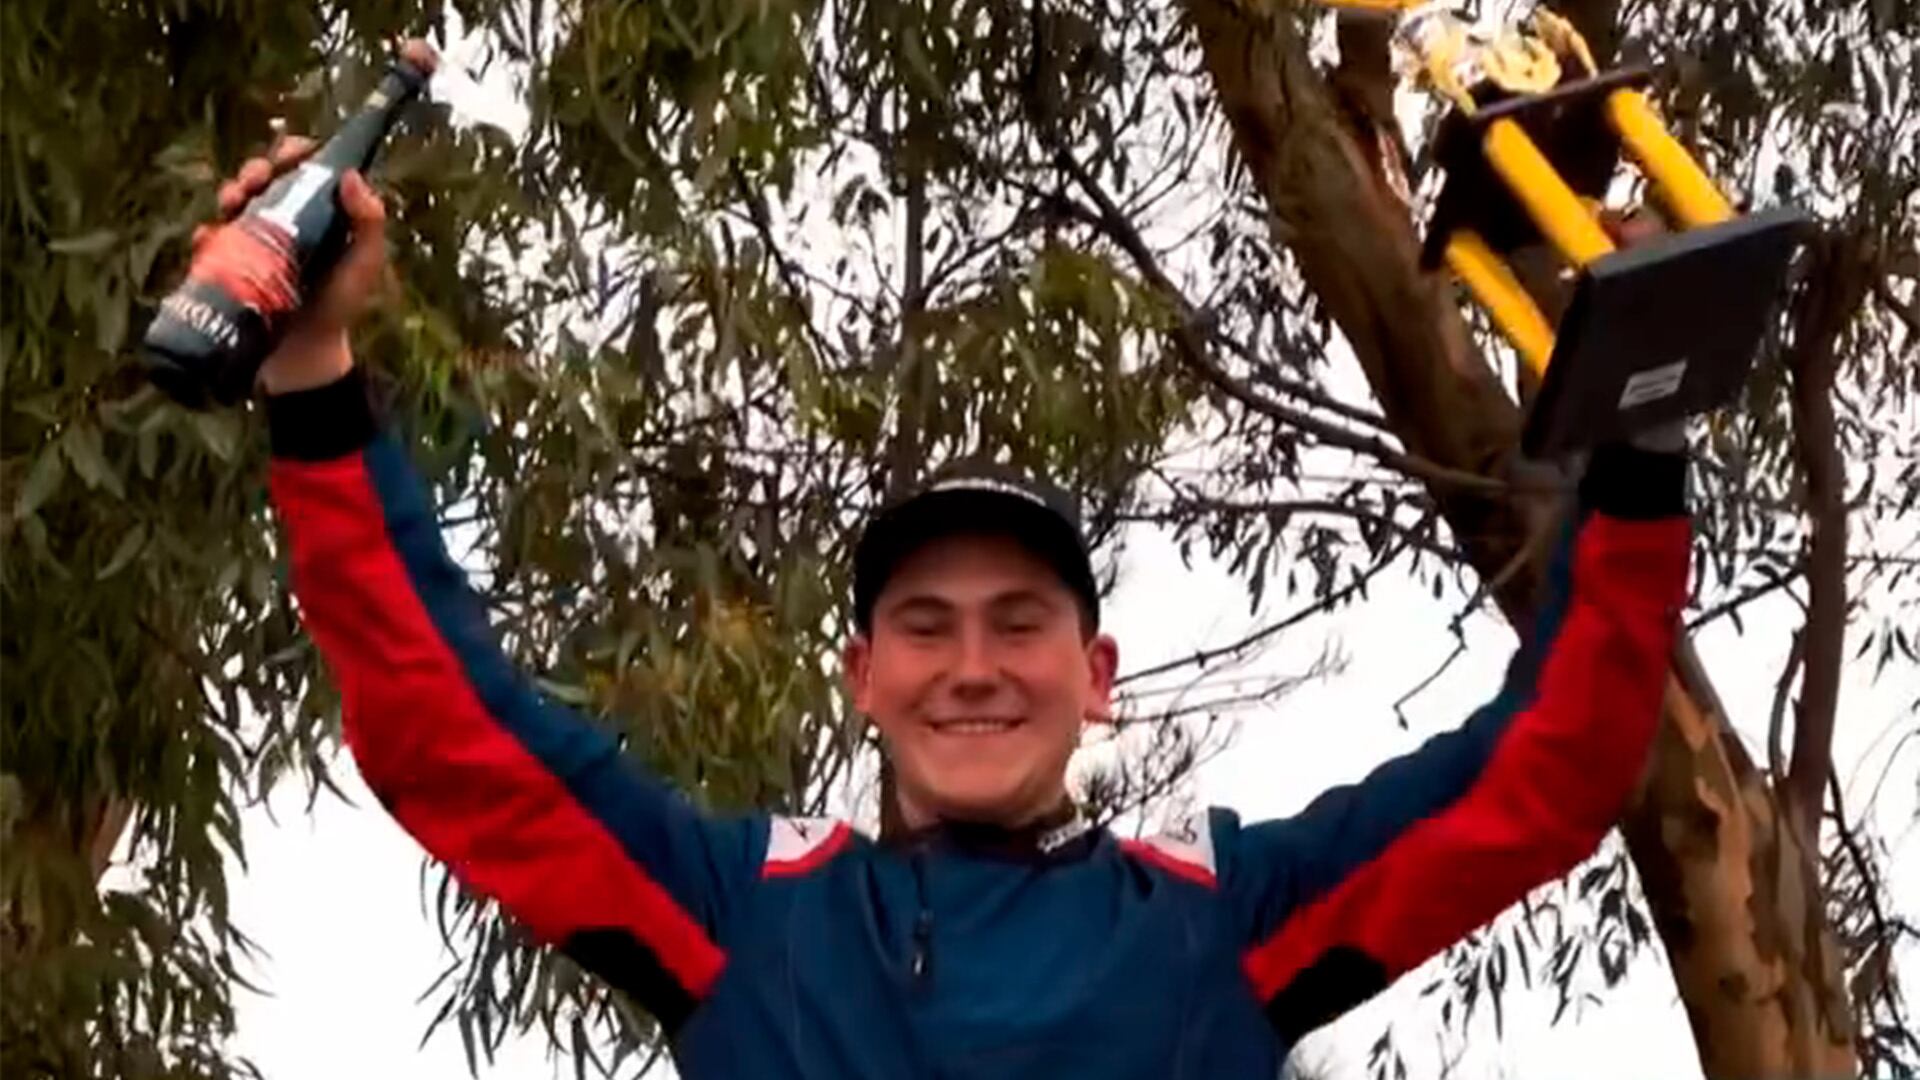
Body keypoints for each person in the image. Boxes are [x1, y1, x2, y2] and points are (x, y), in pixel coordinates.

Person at [231, 132, 1689, 1078]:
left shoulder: (1217, 920)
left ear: (1097, 674)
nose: (973, 667)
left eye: (1019, 622)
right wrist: (309, 379)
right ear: (862, 676)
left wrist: (1639, 439)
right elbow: (455, 740)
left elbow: (1548, 772)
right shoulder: (750, 916)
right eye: (925, 627)